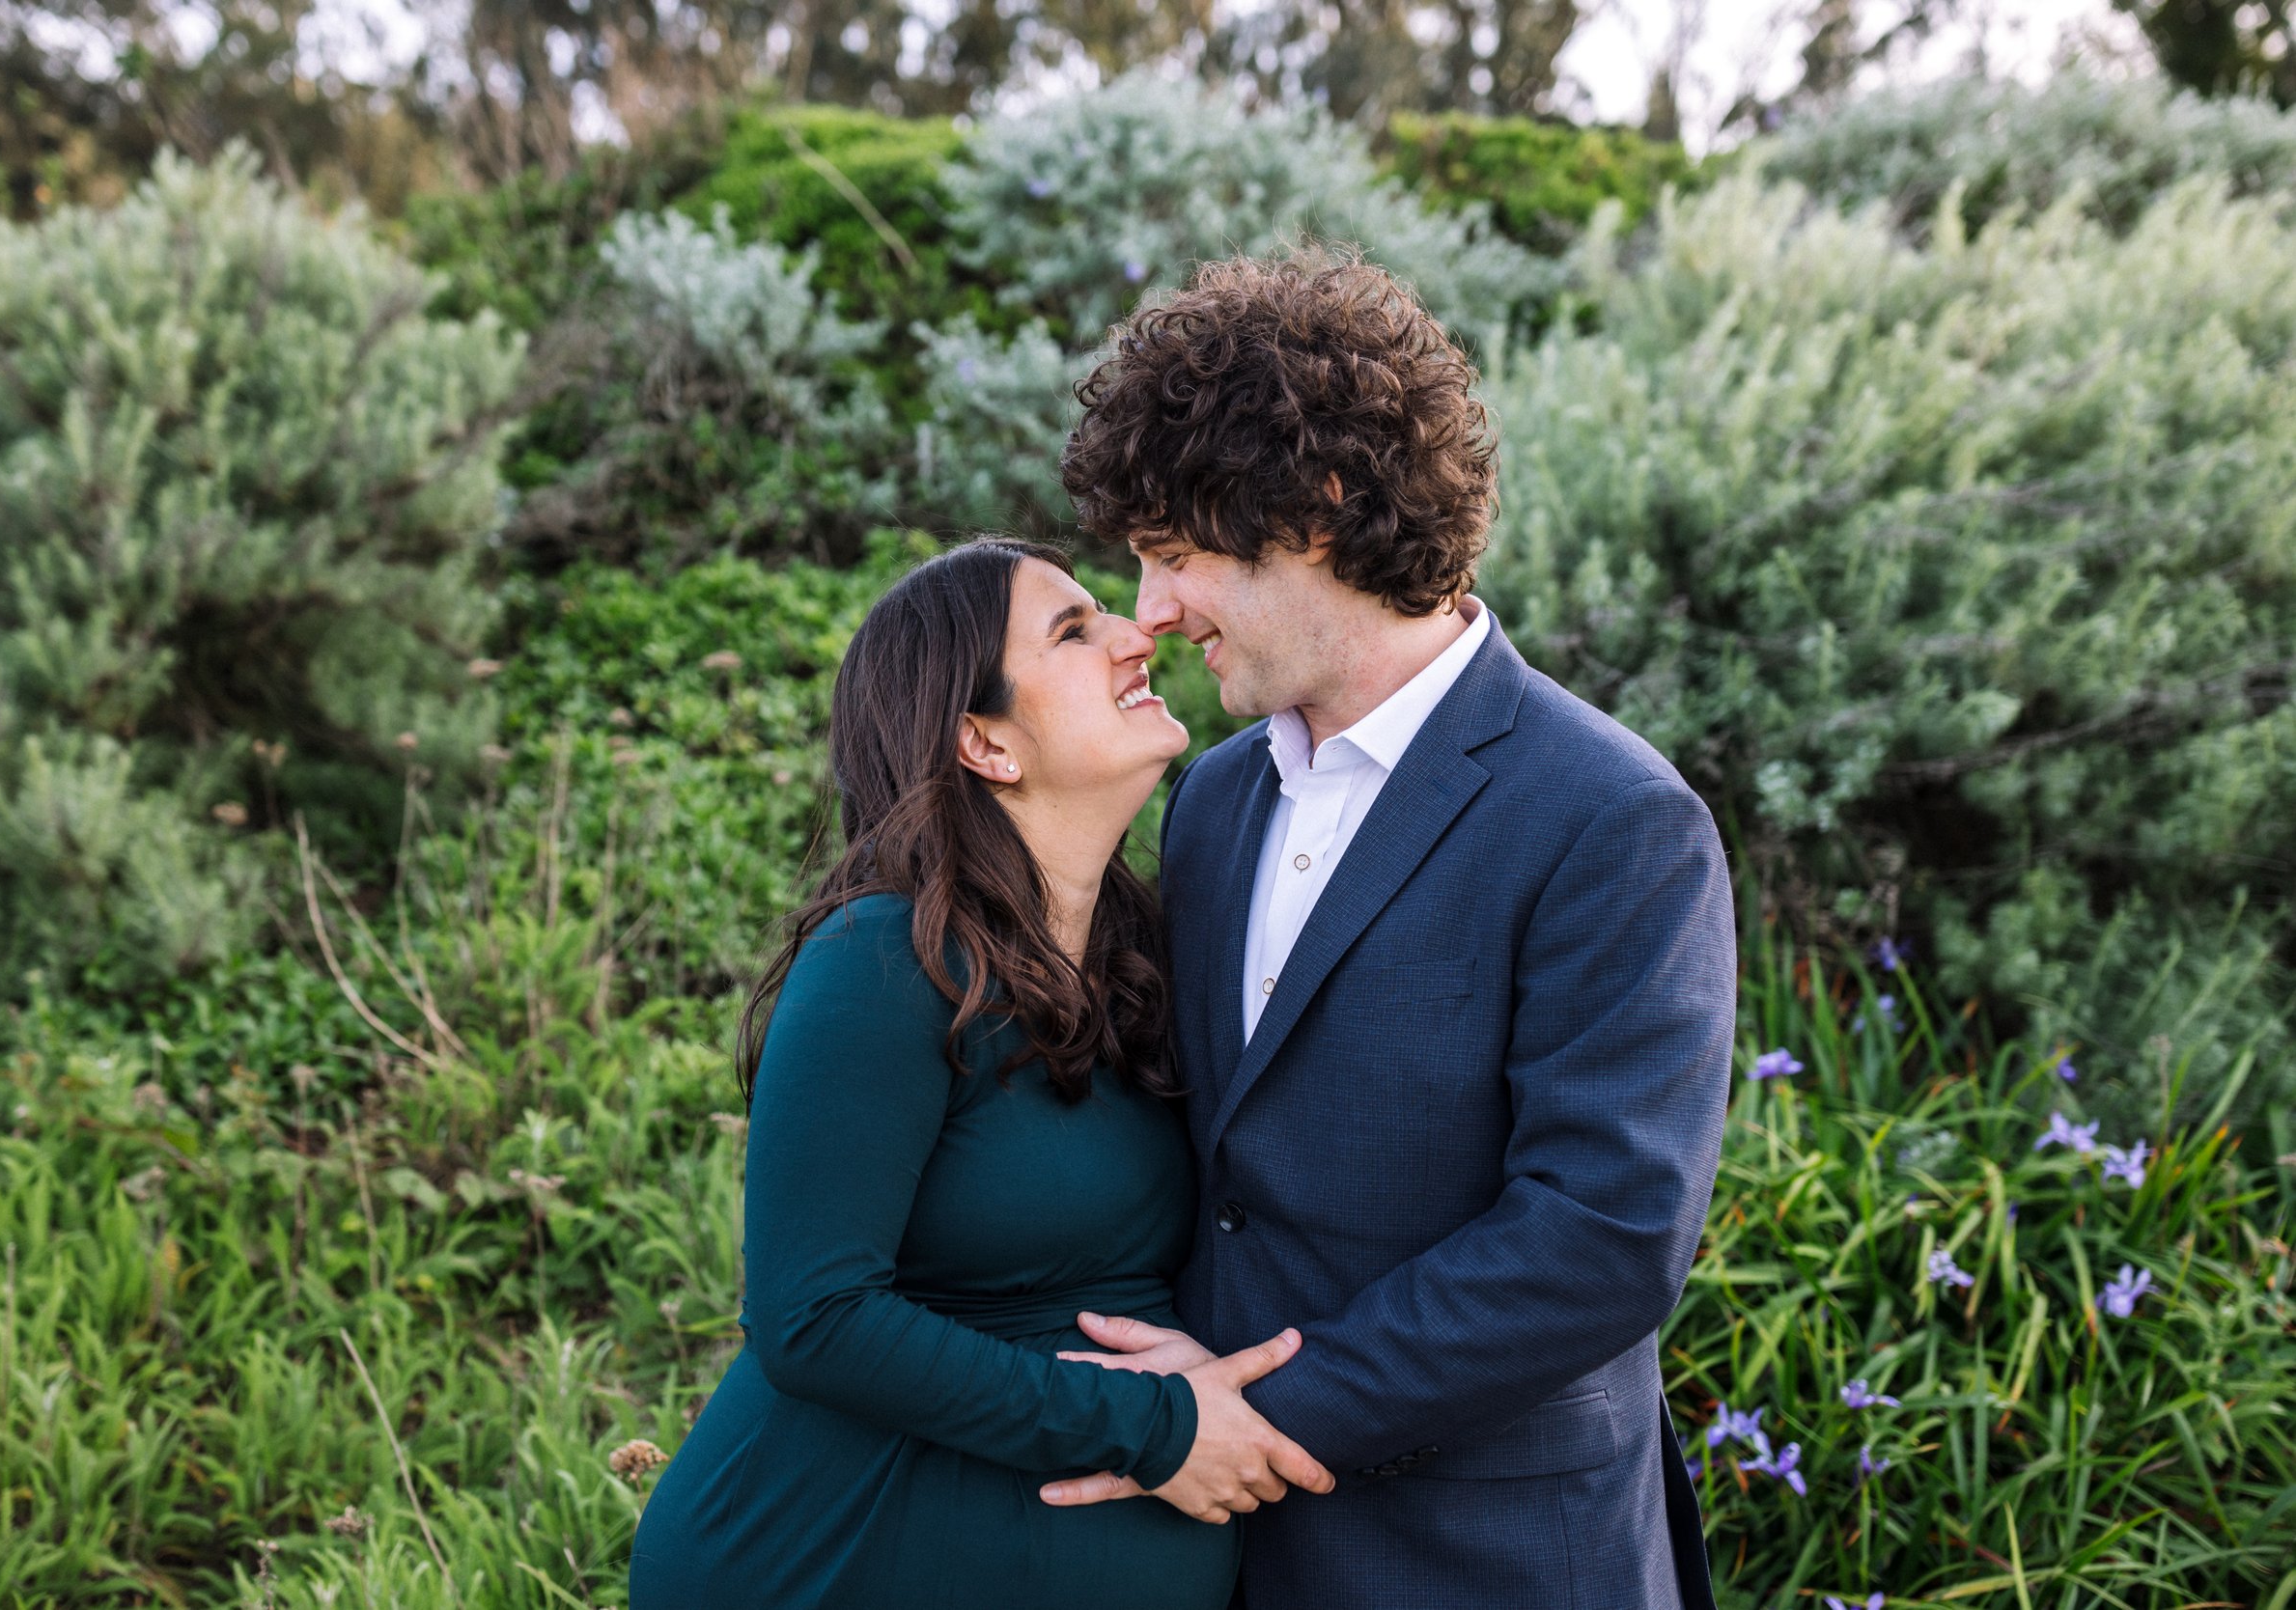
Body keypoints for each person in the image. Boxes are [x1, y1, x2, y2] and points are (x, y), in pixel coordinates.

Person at [1040, 252, 1738, 1610]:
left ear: (1319, 509)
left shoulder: (1613, 821)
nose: (1150, 614)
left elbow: (1602, 1234)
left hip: (1493, 1560)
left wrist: (1257, 1421)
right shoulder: (1218, 798)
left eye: (1177, 556)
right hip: (1225, 1554)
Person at [628, 538, 1333, 1610]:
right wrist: (1150, 1427)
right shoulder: (885, 962)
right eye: (1072, 628)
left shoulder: (1142, 958)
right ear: (983, 740)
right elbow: (810, 1315)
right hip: (816, 1565)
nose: (1136, 633)